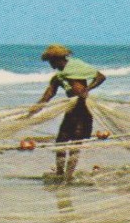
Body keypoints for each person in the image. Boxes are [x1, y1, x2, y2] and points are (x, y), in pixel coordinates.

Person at [29, 44, 107, 183]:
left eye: (51, 61)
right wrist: (36, 108)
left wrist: (87, 89)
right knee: (61, 141)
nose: (50, 64)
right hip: (71, 109)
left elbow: (100, 77)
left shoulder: (76, 66)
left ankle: (69, 175)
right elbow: (49, 94)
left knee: (76, 142)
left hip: (83, 109)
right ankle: (60, 173)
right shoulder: (58, 76)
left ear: (58, 59)